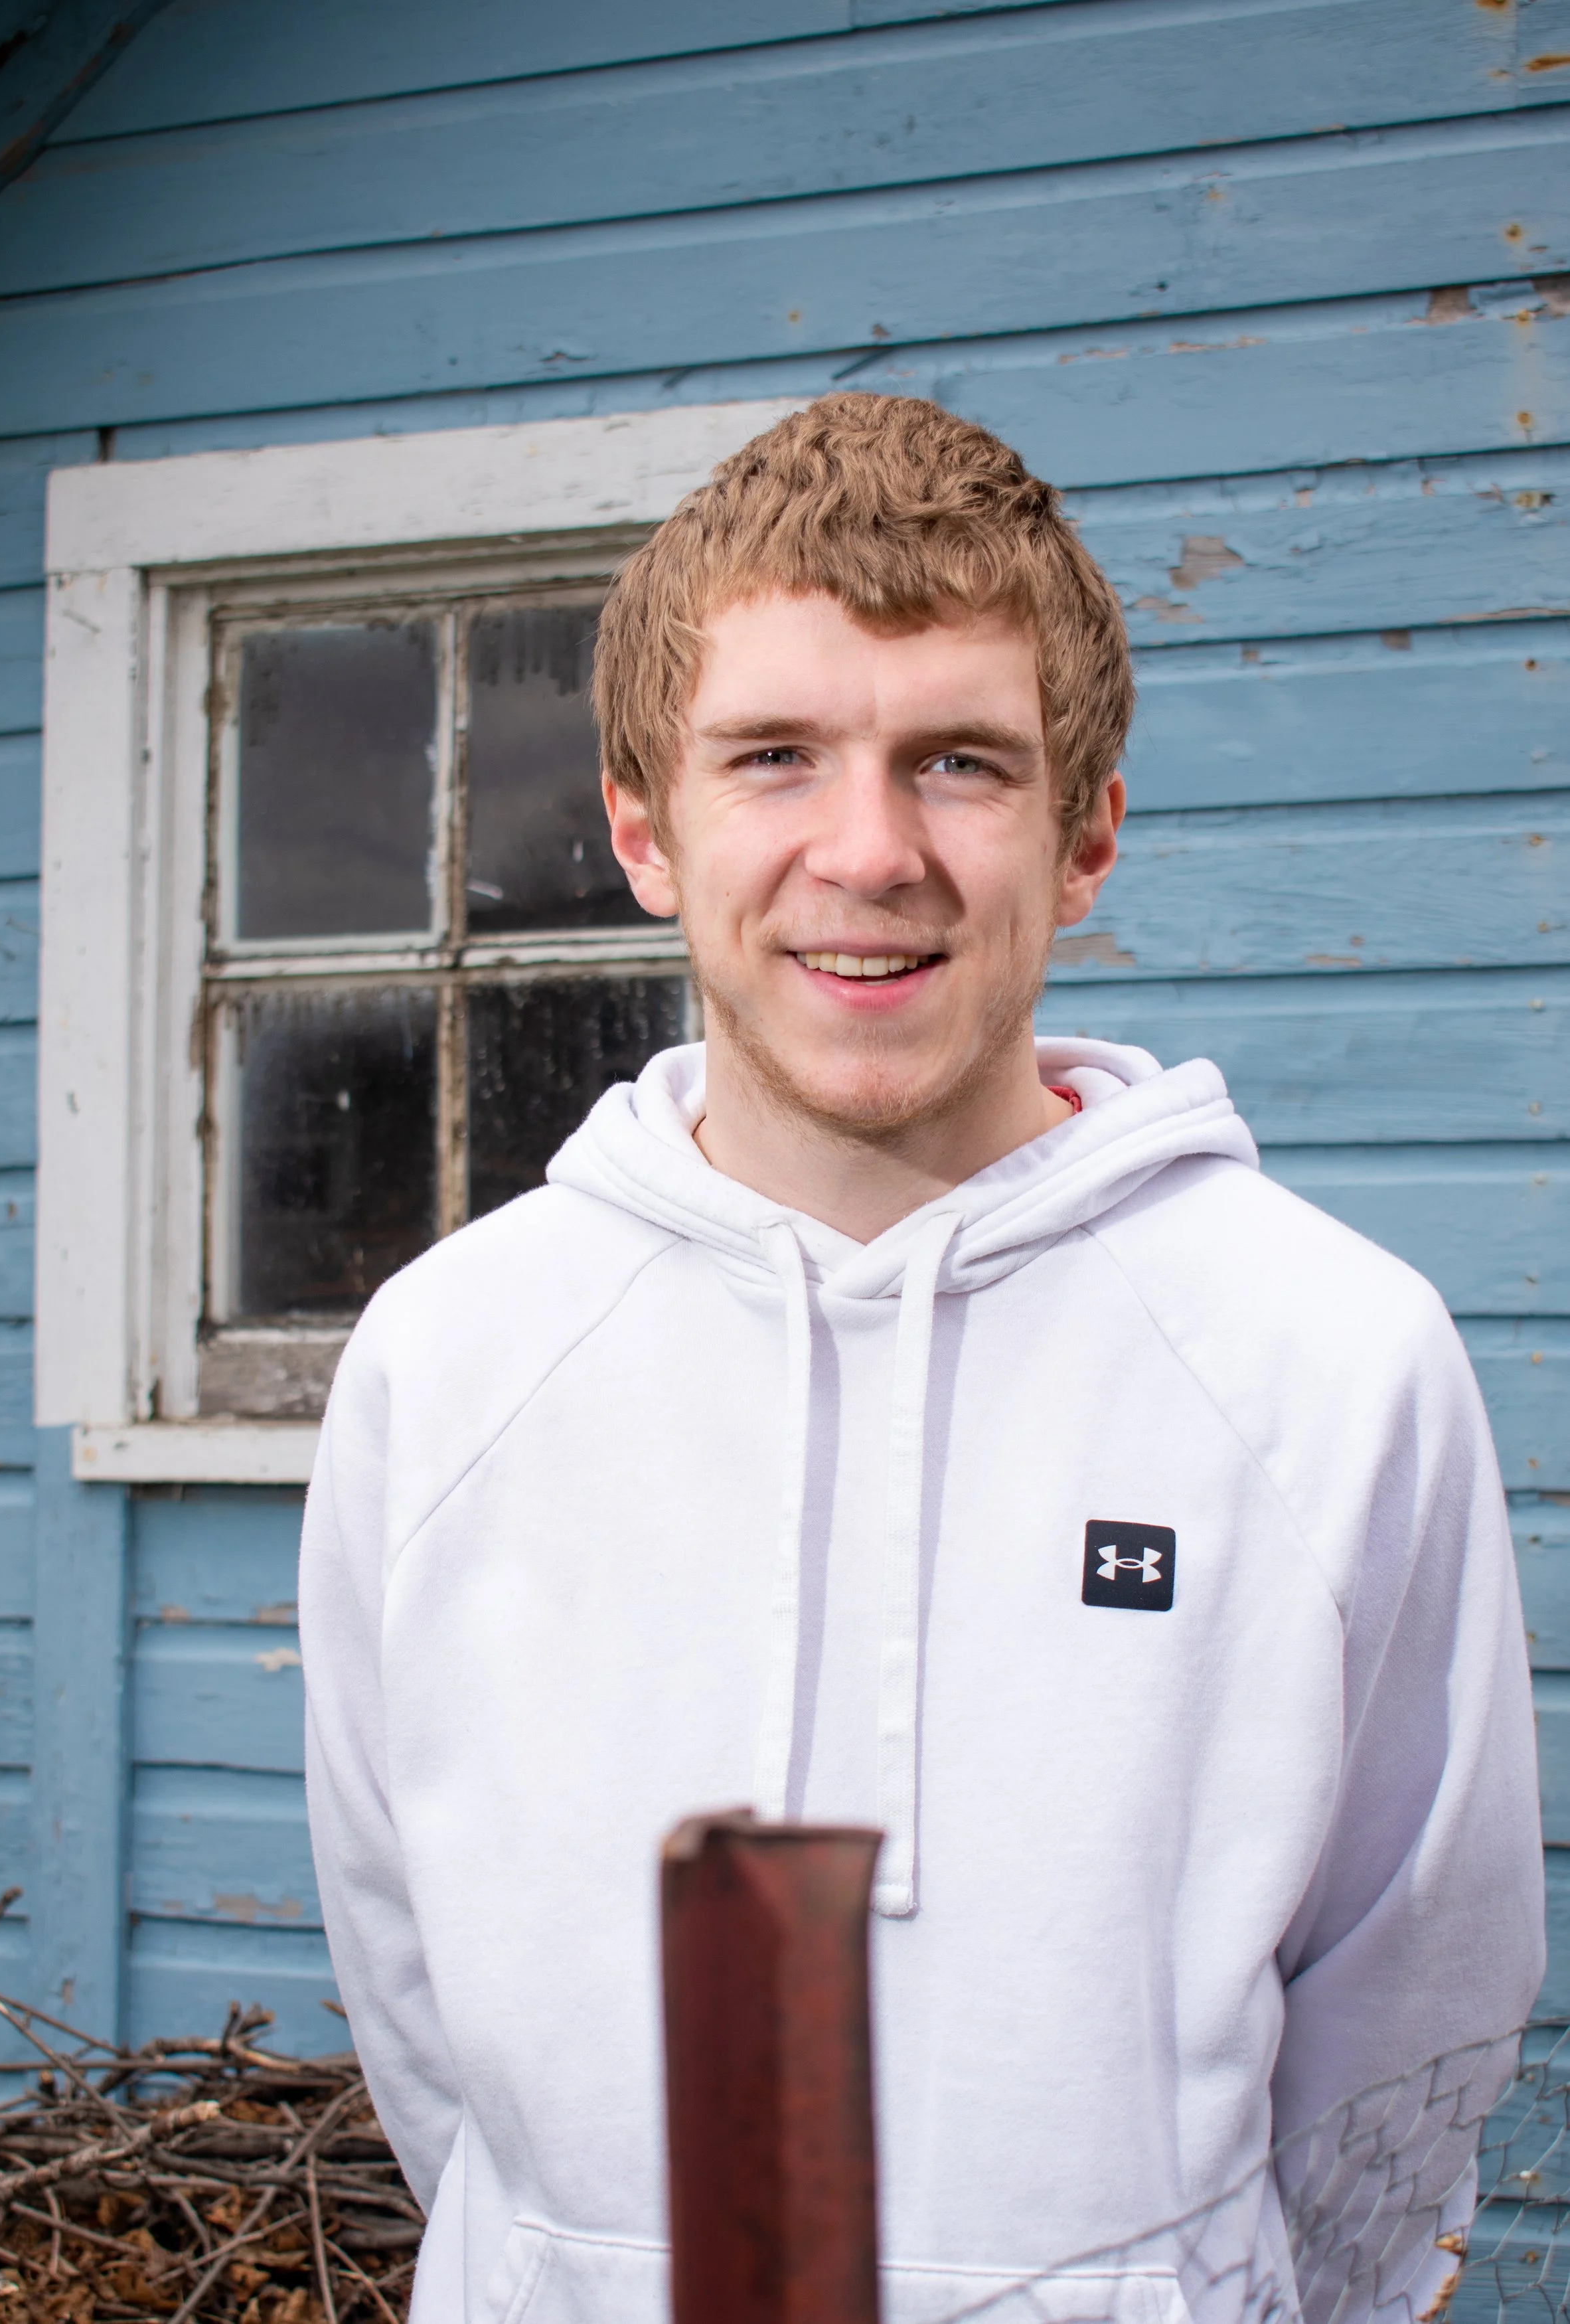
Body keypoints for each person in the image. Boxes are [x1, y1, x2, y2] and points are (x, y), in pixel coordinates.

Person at [299, 395, 1543, 2324]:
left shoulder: (1326, 1357)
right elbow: (418, 2003)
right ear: (644, 825)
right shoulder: (449, 1360)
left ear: (1086, 835)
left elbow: (1413, 1995)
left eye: (958, 761)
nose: (865, 852)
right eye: (774, 756)